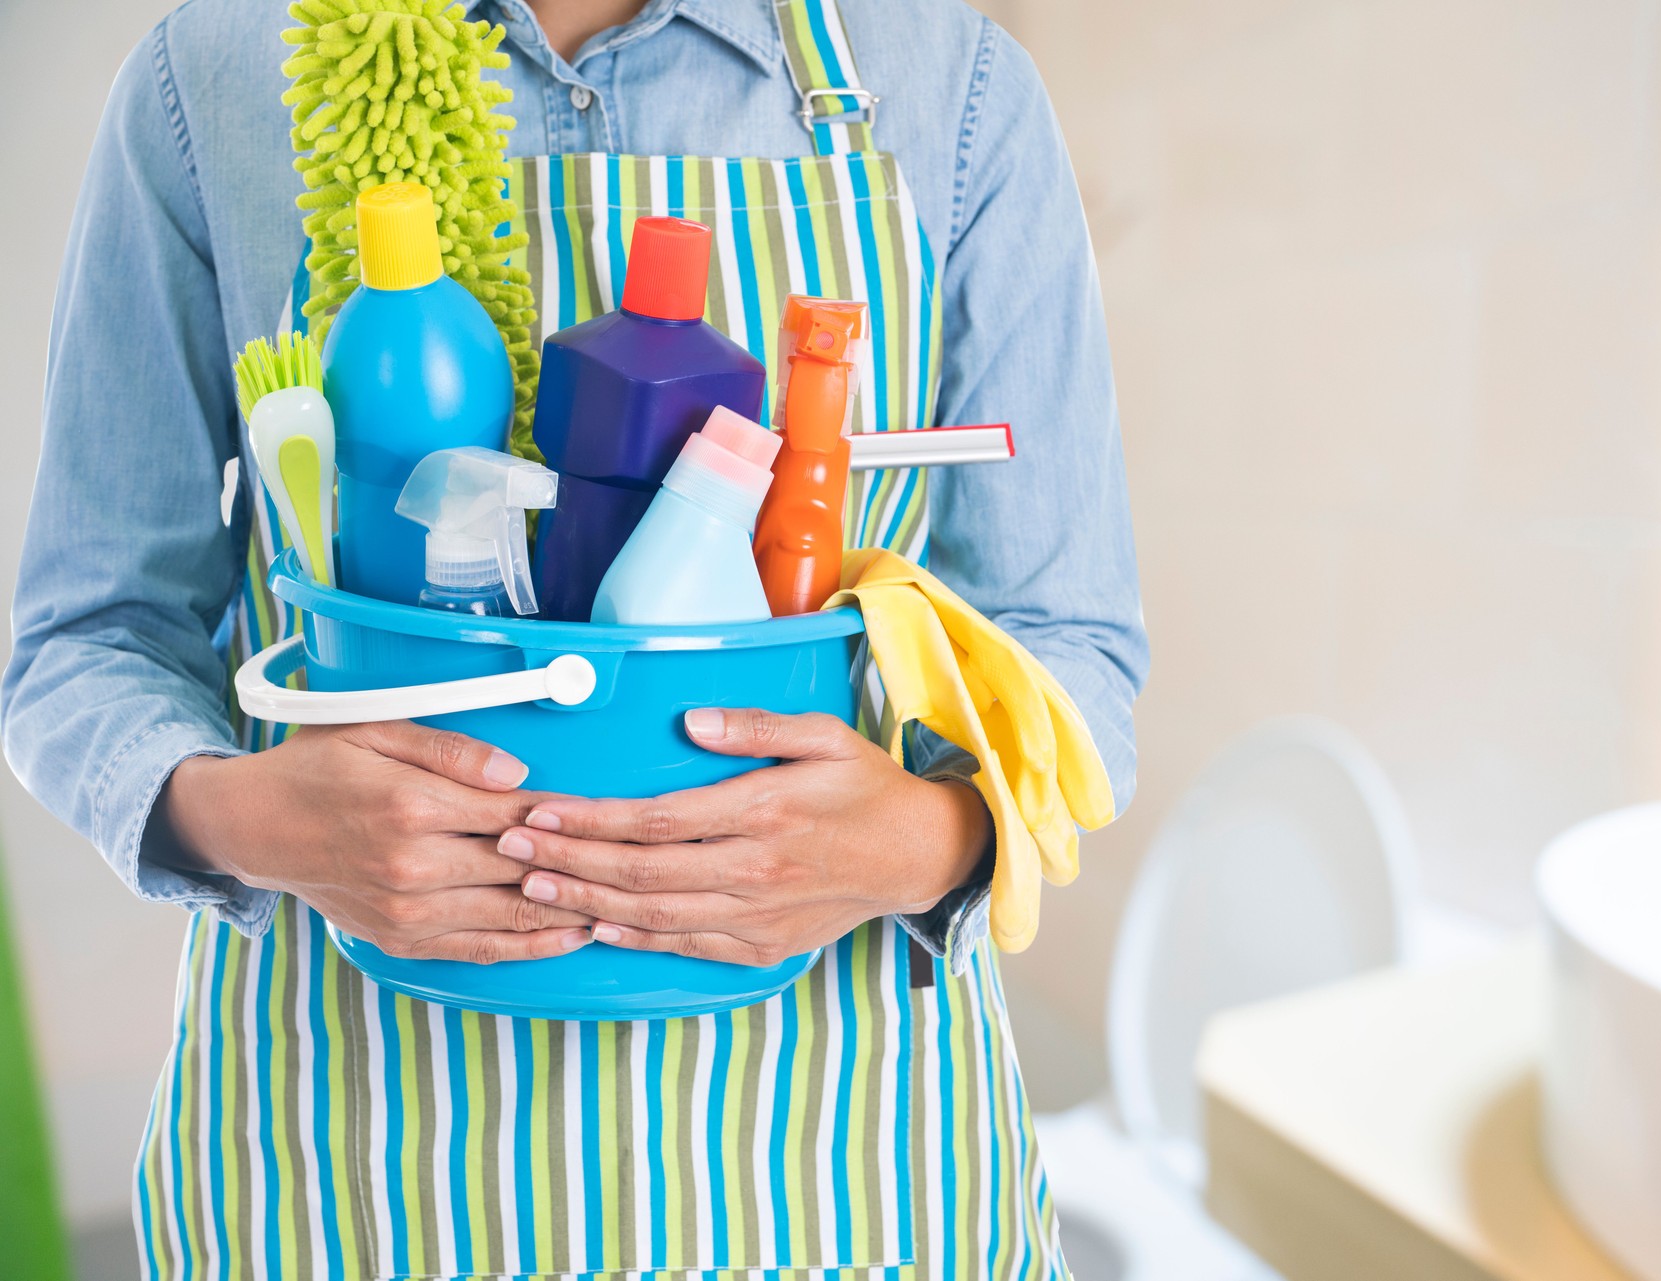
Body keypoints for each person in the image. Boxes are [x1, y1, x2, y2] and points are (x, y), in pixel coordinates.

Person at [3, 0, 1146, 1275]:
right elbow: (86, 633)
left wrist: (920, 835)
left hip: (834, 1158)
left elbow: (1070, 647)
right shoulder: (212, 73)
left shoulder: (953, 80)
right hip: (357, 1161)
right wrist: (247, 819)